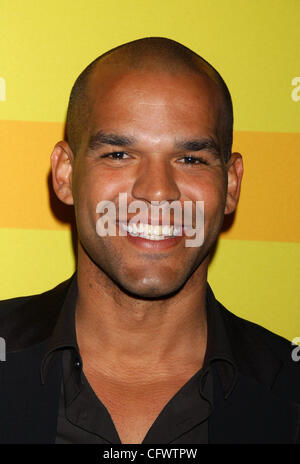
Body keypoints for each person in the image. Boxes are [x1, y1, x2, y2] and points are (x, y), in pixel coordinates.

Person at [0, 37, 299, 445]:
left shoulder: (289, 392)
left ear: (230, 184)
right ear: (66, 174)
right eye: (119, 154)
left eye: (191, 159)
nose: (158, 192)